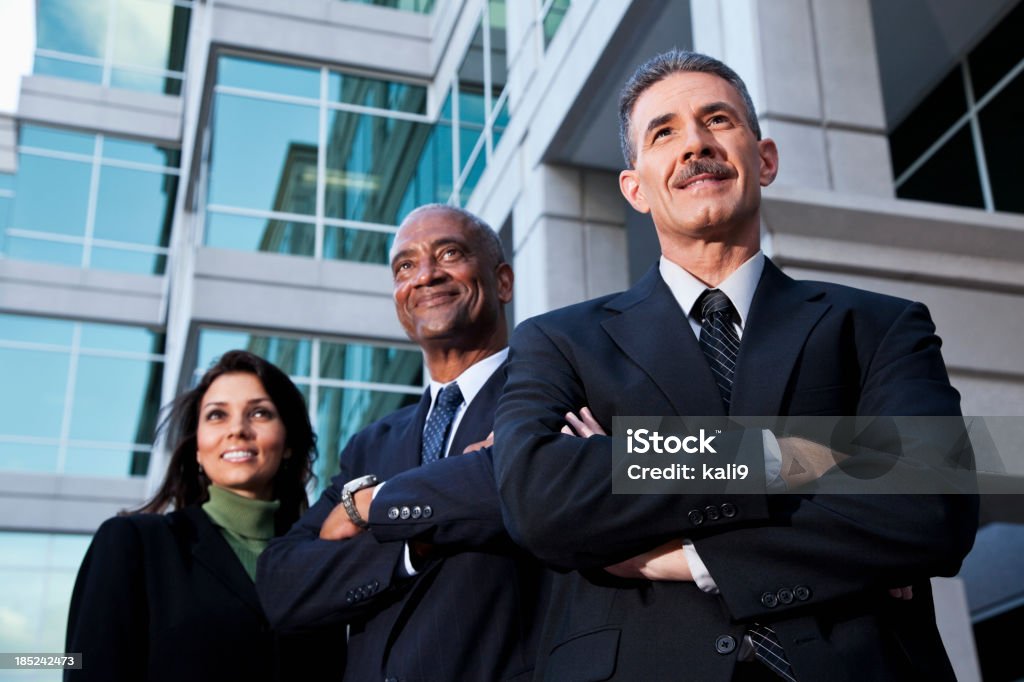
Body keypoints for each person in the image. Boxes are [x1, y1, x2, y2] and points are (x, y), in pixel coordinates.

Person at [493, 50, 978, 682]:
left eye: (717, 120)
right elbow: (539, 496)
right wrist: (815, 457)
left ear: (764, 158)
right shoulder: (559, 341)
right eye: (663, 132)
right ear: (635, 187)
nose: (695, 144)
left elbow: (933, 506)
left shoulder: (881, 326)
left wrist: (689, 553)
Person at [257, 204, 548, 682]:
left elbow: (528, 483)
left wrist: (371, 506)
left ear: (503, 282)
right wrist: (410, 546)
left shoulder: (549, 387)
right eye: (405, 266)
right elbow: (281, 586)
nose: (426, 276)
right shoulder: (369, 445)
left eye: (449, 253)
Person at [65, 350, 340, 682]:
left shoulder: (319, 559)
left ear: (289, 444)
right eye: (216, 416)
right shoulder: (133, 543)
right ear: (197, 447)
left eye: (259, 413)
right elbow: (90, 668)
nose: (237, 429)